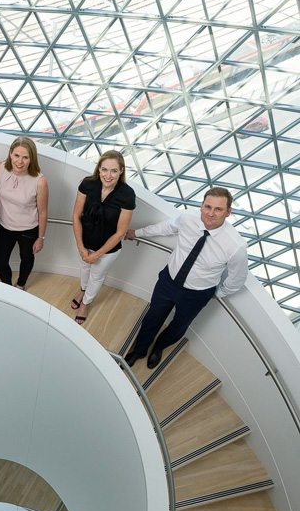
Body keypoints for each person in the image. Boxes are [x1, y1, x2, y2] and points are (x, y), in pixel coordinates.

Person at [124, 187, 248, 369]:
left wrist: (219, 293)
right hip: (168, 281)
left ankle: (159, 347)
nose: (211, 213)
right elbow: (166, 227)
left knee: (178, 327)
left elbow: (238, 278)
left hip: (197, 294)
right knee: (152, 317)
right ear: (202, 205)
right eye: (208, 207)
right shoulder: (189, 217)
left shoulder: (235, 246)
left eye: (218, 209)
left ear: (228, 212)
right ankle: (139, 350)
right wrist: (137, 233)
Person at [71, 150, 136, 324]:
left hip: (108, 250)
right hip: (84, 241)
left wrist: (97, 254)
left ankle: (86, 303)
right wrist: (81, 247)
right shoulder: (87, 184)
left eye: (114, 171)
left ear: (121, 171)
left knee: (97, 275)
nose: (108, 175)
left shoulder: (127, 195)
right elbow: (76, 216)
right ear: (99, 168)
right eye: (105, 169)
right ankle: (83, 291)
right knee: (84, 268)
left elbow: (120, 232)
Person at [0, 137, 49, 290]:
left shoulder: (40, 181)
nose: (20, 161)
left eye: (25, 157)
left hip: (28, 230)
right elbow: (0, 194)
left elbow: (43, 213)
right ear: (10, 153)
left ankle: (21, 284)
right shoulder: (0, 169)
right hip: (4, 226)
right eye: (17, 155)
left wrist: (40, 238)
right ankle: (8, 288)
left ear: (32, 159)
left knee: (27, 258)